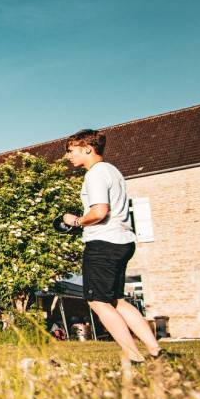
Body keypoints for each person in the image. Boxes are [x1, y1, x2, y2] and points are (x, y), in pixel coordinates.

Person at [63, 129, 166, 365]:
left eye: (71, 151)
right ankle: (155, 350)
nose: (69, 156)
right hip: (123, 241)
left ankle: (135, 357)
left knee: (97, 301)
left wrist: (76, 221)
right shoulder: (114, 171)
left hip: (103, 242)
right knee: (116, 300)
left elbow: (100, 211)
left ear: (87, 148)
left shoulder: (95, 174)